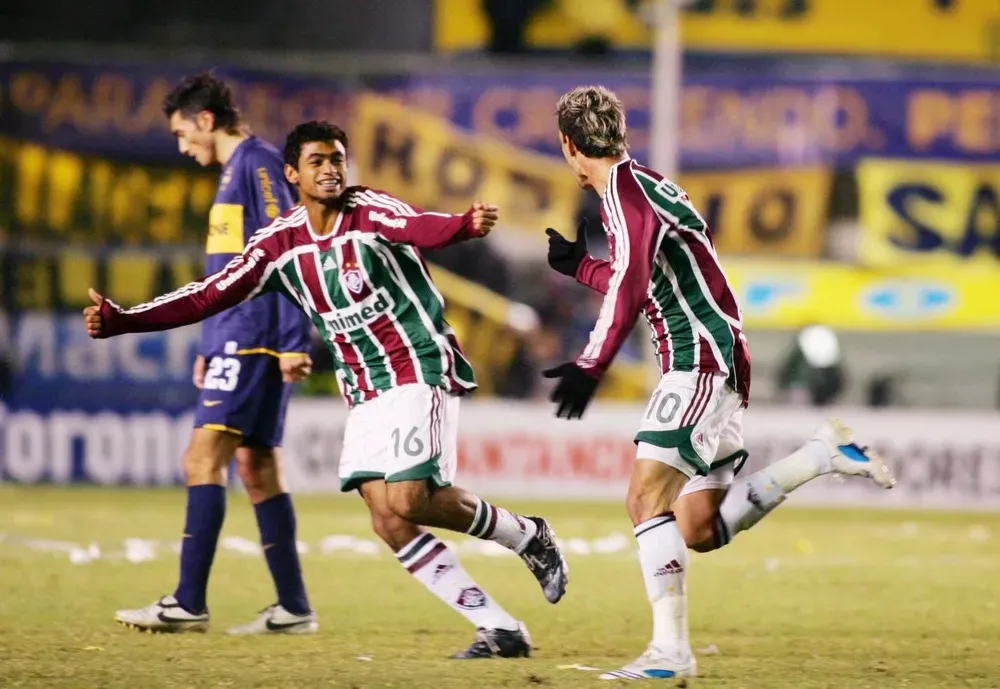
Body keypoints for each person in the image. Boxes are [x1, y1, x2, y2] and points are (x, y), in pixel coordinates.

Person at [84, 120, 569, 658]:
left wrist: (463, 225)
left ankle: (528, 536)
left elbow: (420, 227)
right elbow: (209, 295)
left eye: (337, 158)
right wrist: (125, 320)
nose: (331, 169)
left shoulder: (370, 211)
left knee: (409, 498)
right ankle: (499, 629)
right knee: (388, 518)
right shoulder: (279, 243)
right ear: (293, 173)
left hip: (416, 365)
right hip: (364, 387)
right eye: (317, 161)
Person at [541, 86, 895, 680]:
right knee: (697, 526)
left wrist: (592, 363)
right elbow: (647, 281)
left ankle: (670, 655)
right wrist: (580, 266)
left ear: (569, 144)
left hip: (696, 358)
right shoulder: (639, 188)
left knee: (644, 499)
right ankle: (819, 455)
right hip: (718, 355)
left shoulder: (627, 195)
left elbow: (632, 287)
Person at [113, 74, 318, 635]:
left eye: (183, 133)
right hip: (235, 335)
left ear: (206, 119)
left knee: (202, 459)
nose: (182, 148)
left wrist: (292, 339)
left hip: (253, 335)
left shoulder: (258, 163)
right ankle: (295, 607)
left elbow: (293, 245)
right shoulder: (236, 171)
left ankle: (187, 602)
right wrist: (208, 344)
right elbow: (226, 271)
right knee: (256, 467)